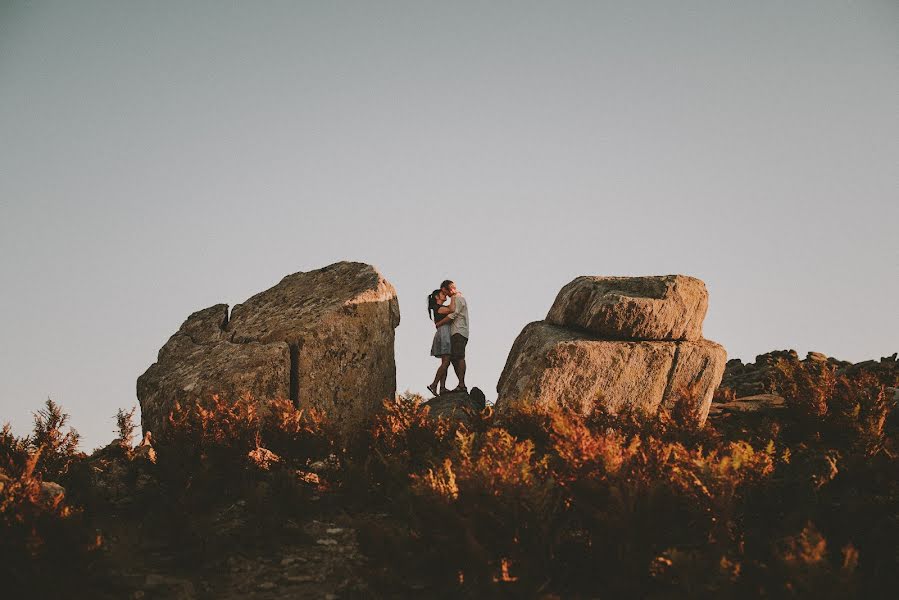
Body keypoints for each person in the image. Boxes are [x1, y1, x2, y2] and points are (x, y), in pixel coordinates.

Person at [435, 279, 468, 392]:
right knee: (454, 358)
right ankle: (460, 384)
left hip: (459, 331)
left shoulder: (457, 298)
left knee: (459, 357)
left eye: (445, 292)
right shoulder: (456, 298)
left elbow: (453, 313)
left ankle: (461, 384)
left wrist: (439, 323)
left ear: (447, 289)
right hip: (456, 332)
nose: (446, 295)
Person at [427, 288, 456, 396]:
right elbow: (452, 309)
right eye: (443, 294)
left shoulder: (439, 308)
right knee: (446, 362)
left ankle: (442, 387)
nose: (445, 295)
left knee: (445, 362)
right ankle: (434, 384)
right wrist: (453, 296)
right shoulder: (438, 308)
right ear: (437, 297)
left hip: (444, 332)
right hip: (444, 333)